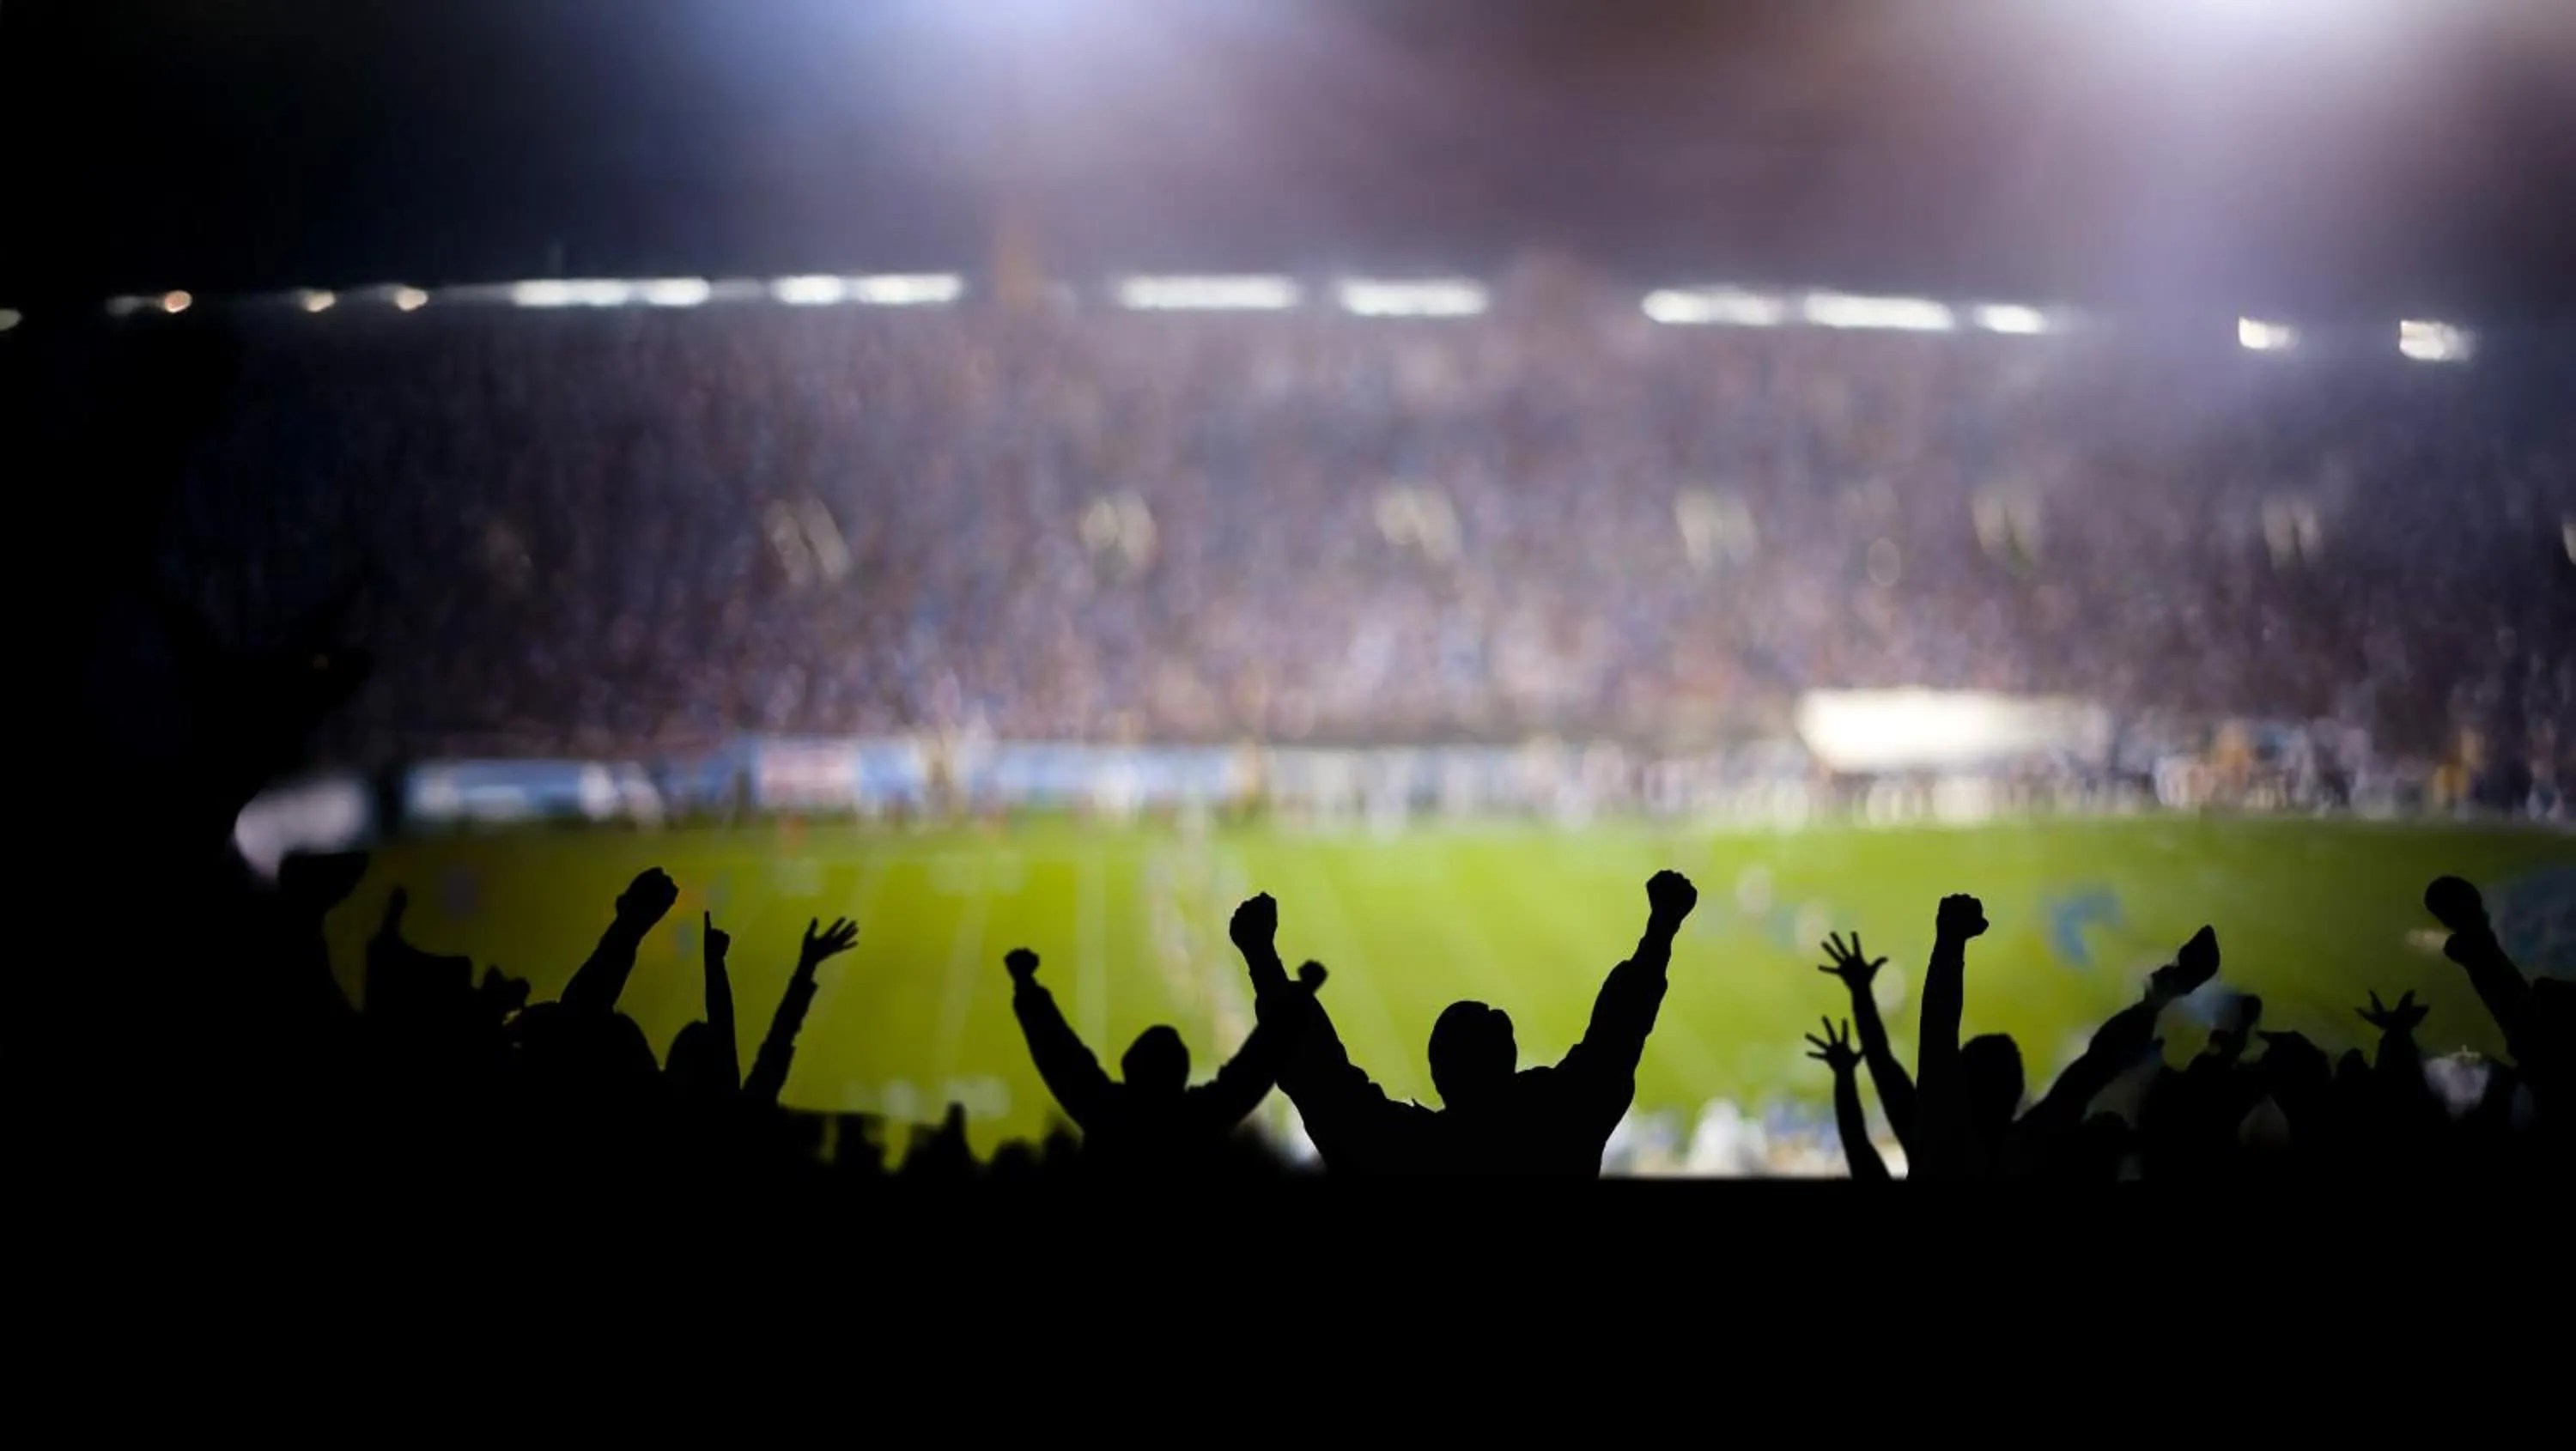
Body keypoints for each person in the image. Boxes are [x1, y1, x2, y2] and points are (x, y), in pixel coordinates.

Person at [1238, 871, 1698, 1175]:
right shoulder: (1563, 1122)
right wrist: (1661, 926)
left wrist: (1262, 956)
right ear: (1511, 1059)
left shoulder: (1407, 1153)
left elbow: (1322, 1081)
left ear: (1439, 1073)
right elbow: (1618, 1033)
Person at [1005, 943, 1324, 1175]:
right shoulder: (1200, 1119)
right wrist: (1300, 995)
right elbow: (1256, 1064)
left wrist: (1026, 985)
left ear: (1129, 1067)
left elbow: (1060, 1056)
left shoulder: (1109, 1116)